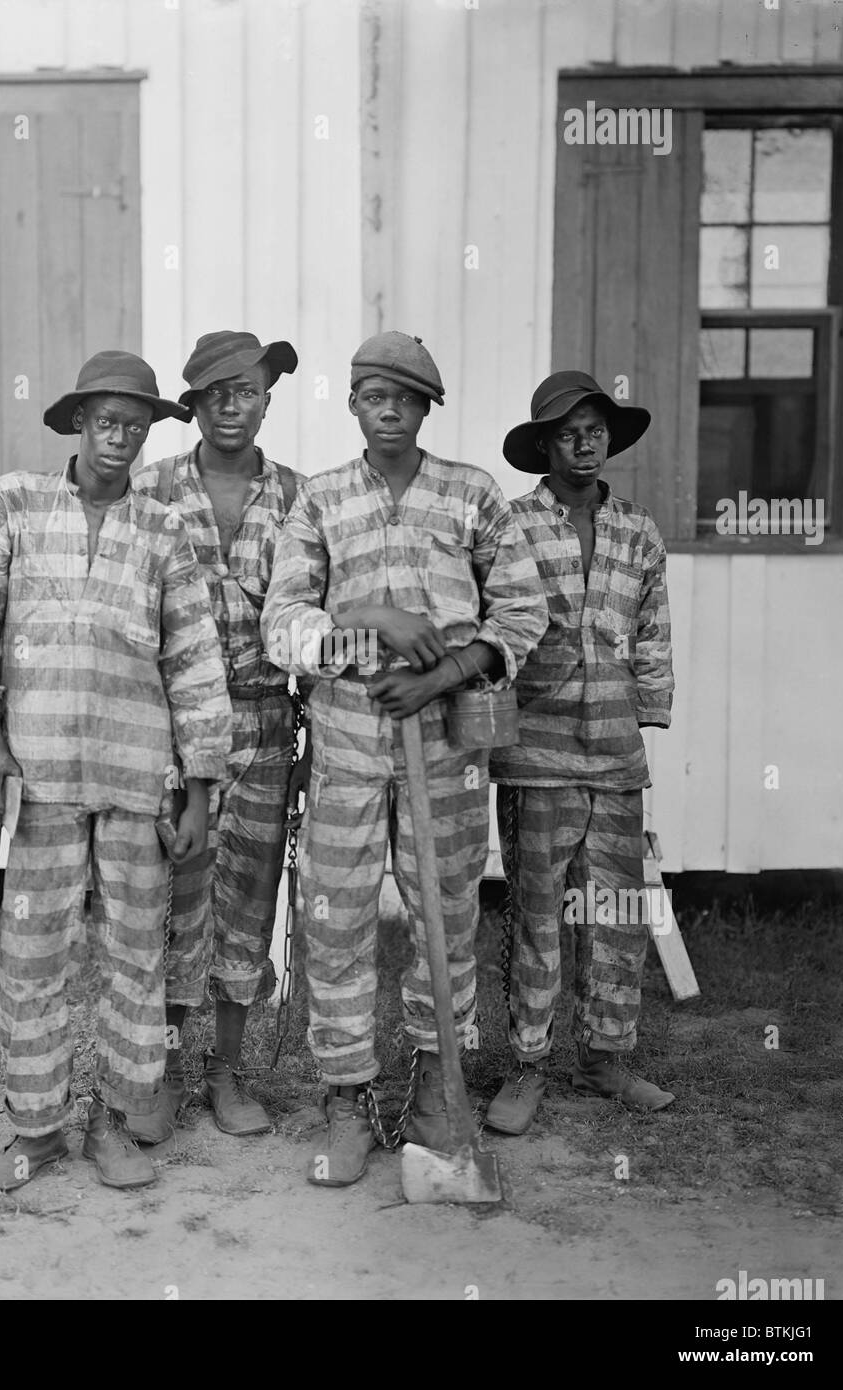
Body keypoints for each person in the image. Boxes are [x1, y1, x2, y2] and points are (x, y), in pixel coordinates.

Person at [261, 331, 548, 1186]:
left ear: (427, 409)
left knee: (445, 917)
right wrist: (372, 625)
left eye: (407, 399)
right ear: (352, 404)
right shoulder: (319, 500)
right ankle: (348, 1100)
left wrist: (449, 674)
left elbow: (522, 611)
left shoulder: (472, 495)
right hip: (348, 748)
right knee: (336, 924)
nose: (390, 411)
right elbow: (283, 623)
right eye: (374, 396)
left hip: (448, 748)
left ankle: (435, 1089)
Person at [0, 350, 232, 1191]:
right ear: (77, 422)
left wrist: (200, 790)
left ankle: (113, 1120)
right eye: (107, 422)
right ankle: (37, 1131)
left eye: (136, 427)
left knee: (135, 953)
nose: (121, 439)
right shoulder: (17, 506)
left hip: (139, 780)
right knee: (34, 954)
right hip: (37, 778)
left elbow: (195, 663)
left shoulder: (164, 532)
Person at [487, 370, 676, 1137]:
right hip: (536, 750)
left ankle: (608, 1057)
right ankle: (528, 1064)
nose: (585, 442)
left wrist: (648, 709)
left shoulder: (638, 530)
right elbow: (493, 627)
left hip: (615, 753)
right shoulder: (514, 526)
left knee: (616, 911)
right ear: (545, 446)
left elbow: (653, 629)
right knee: (537, 912)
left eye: (596, 429)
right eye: (569, 432)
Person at [133, 330, 310, 1139]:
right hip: (176, 729)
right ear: (193, 406)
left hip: (269, 721)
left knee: (247, 900)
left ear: (268, 396)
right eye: (213, 395)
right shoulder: (154, 489)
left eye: (245, 391)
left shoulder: (304, 498)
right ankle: (165, 1071)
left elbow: (317, 618)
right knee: (177, 900)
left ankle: (227, 1074)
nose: (231, 407)